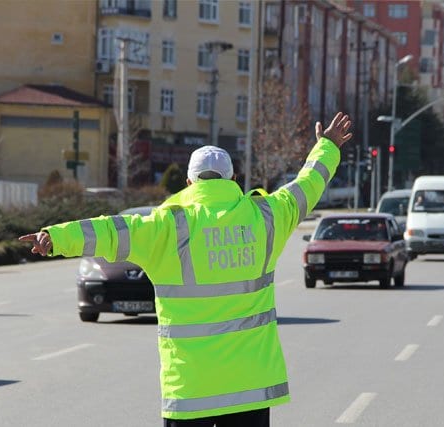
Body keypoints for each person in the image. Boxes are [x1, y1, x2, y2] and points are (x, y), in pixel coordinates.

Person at [19, 112, 353, 426]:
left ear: (190, 181)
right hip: (250, 386)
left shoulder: (168, 226)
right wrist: (327, 146)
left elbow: (111, 230)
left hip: (190, 388)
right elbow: (307, 186)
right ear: (233, 178)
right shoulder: (266, 217)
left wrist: (56, 237)